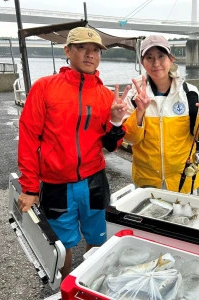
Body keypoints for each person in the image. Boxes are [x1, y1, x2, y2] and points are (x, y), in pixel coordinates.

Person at [17, 26, 130, 280]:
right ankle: (64, 290)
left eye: (95, 50)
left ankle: (91, 285)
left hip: (94, 182)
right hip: (57, 184)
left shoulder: (104, 95)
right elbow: (28, 138)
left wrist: (115, 123)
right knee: (60, 247)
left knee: (98, 240)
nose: (90, 54)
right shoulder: (45, 87)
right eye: (82, 48)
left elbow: (111, 146)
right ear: (68, 51)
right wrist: (30, 187)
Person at [123, 35, 199, 194]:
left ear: (171, 59)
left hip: (184, 180)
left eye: (161, 56)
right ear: (142, 62)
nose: (156, 63)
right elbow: (129, 138)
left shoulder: (190, 93)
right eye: (149, 57)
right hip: (147, 181)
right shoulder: (134, 94)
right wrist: (139, 111)